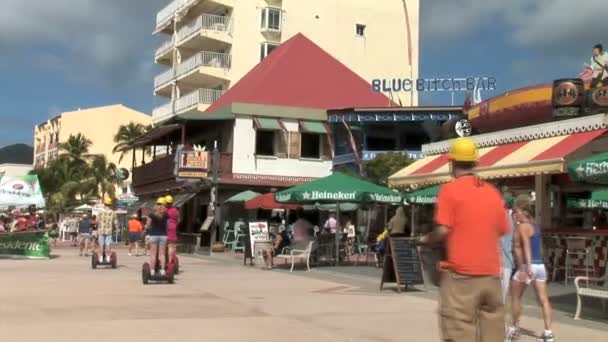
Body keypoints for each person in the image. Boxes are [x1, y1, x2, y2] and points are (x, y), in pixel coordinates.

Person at [417, 137, 510, 342]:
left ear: (452, 163)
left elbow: (442, 231)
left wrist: (425, 239)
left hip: (461, 276)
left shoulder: (450, 190)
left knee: (459, 332)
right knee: (493, 334)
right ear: (475, 163)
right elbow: (504, 229)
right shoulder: (492, 192)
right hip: (492, 277)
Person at [508, 195, 554, 342]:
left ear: (523, 210)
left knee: (515, 297)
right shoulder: (535, 226)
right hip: (540, 265)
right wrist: (539, 262)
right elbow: (539, 248)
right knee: (544, 299)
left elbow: (525, 246)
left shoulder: (522, 227)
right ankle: (548, 333)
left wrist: (525, 266)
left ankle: (514, 330)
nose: (515, 214)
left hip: (528, 266)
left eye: (516, 211)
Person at [144, 198, 169, 276]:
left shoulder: (151, 215)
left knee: (153, 254)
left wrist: (146, 228)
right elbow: (168, 225)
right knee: (162, 254)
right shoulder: (166, 215)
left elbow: (148, 225)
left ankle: (152, 271)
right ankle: (162, 270)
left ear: (156, 205)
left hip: (154, 235)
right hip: (163, 236)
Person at [501, 195, 516, 305]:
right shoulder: (511, 219)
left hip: (501, 261)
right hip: (506, 261)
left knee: (500, 295)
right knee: (502, 294)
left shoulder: (503, 219)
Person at [97, 196, 117, 263]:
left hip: (101, 230)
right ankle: (108, 257)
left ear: (104, 204)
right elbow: (115, 222)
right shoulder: (113, 212)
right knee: (108, 244)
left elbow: (97, 221)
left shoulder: (100, 212)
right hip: (109, 230)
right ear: (110, 204)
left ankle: (101, 257)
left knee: (101, 244)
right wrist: (116, 228)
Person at [164, 195, 180, 263]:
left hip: (164, 228)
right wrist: (174, 224)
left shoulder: (164, 210)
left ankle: (164, 260)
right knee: (172, 245)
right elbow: (178, 220)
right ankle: (171, 261)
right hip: (172, 228)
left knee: (164, 245)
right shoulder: (175, 210)